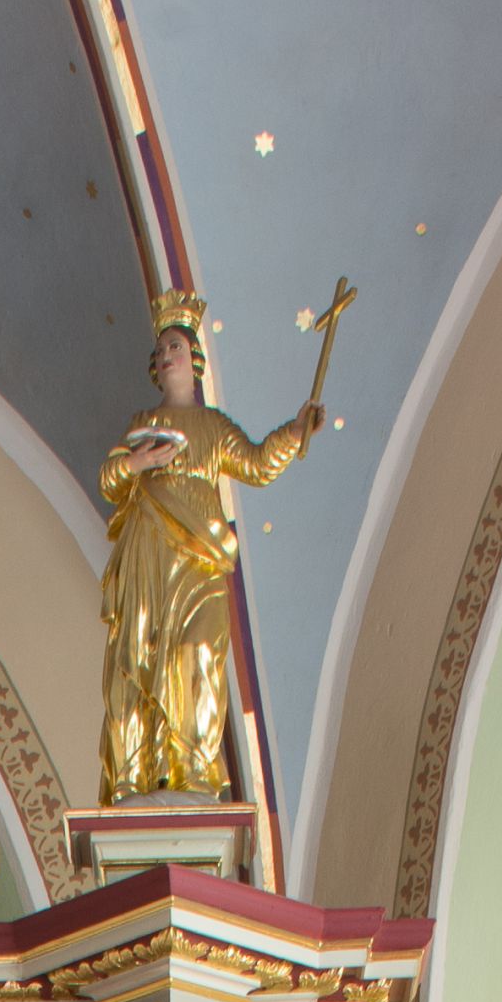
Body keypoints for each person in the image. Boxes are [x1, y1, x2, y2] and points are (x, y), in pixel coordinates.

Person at [97, 292, 319, 801]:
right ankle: (136, 772)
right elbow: (110, 480)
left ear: (194, 358)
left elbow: (257, 465)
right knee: (140, 652)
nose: (166, 354)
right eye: (160, 349)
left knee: (197, 650)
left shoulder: (214, 427)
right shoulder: (142, 423)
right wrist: (139, 462)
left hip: (200, 554)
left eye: (175, 346)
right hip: (150, 549)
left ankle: (193, 770)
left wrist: (295, 431)